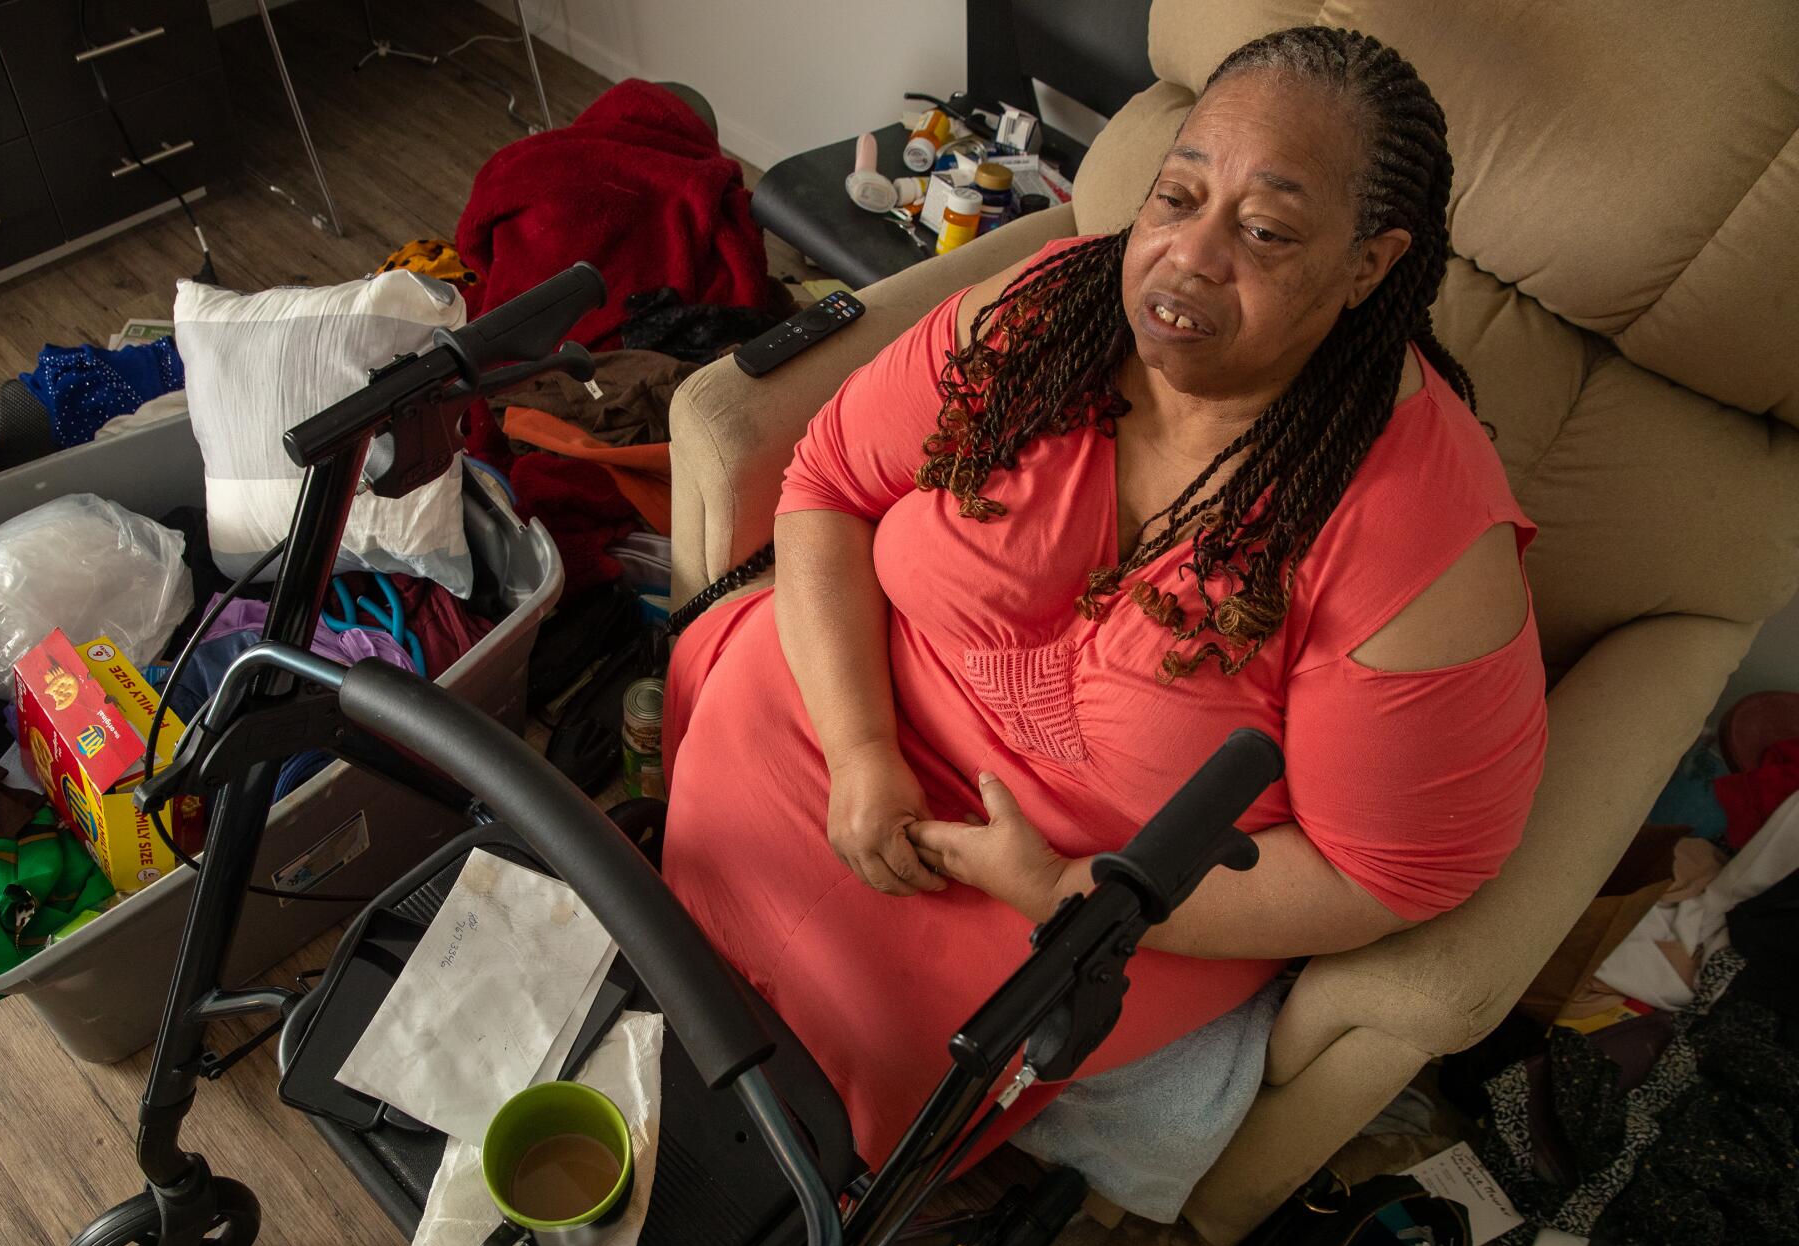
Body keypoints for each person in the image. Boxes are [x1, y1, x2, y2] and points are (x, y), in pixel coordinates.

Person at [661, 26, 1548, 1169]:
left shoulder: (1415, 541)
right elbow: (828, 485)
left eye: (1265, 231)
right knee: (667, 943)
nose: (1184, 256)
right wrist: (860, 748)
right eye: (1176, 195)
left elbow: (1389, 870)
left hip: (1088, 896)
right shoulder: (1047, 316)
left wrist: (1070, 892)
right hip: (832, 719)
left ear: (1368, 264)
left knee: (820, 1111)